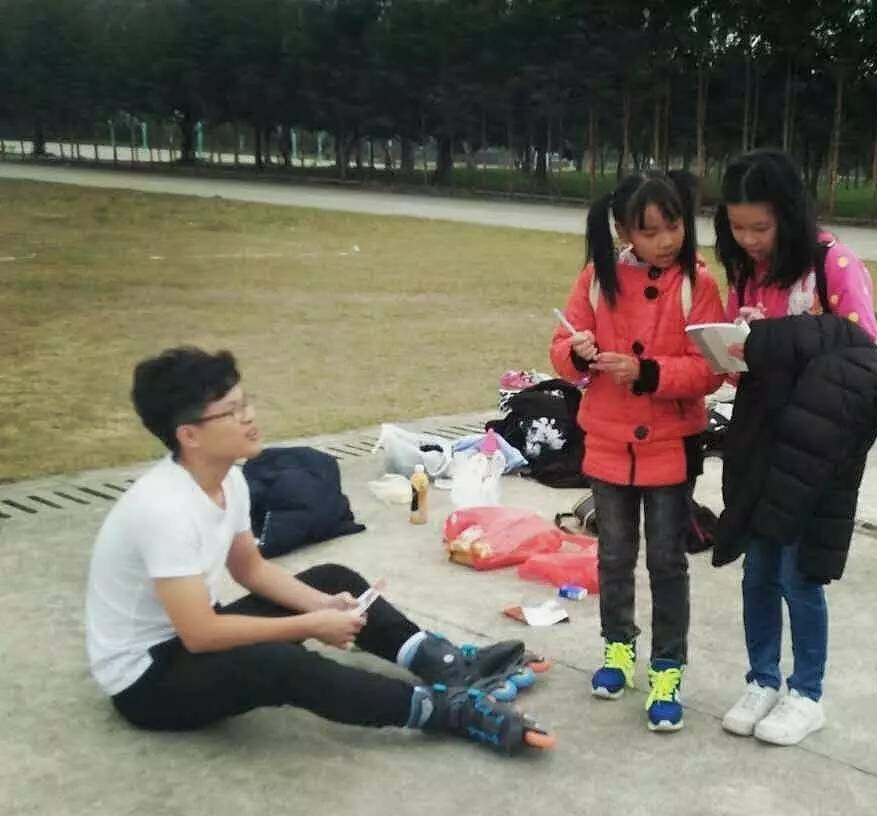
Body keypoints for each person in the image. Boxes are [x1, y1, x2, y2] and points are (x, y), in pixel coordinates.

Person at [85, 347, 553, 755]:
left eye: (246, 402)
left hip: (190, 640)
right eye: (231, 412)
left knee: (333, 580)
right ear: (189, 434)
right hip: (149, 681)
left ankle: (443, 663)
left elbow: (250, 568)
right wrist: (312, 625)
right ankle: (444, 711)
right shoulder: (164, 510)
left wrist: (323, 606)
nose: (249, 417)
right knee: (277, 662)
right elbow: (201, 634)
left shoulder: (228, 479)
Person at [711, 149, 877, 746]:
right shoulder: (747, 271)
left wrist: (768, 341)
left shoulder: (833, 263)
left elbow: (864, 353)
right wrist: (727, 353)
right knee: (758, 571)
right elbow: (744, 359)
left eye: (760, 227)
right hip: (759, 438)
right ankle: (761, 679)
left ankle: (807, 694)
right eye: (738, 227)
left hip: (817, 444)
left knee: (799, 573)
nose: (749, 240)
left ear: (789, 215)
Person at [549, 171, 724, 732]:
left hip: (671, 445)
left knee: (667, 562)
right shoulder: (596, 278)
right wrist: (578, 352)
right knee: (613, 556)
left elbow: (713, 370)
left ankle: (667, 668)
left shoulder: (698, 284)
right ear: (624, 231)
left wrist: (647, 372)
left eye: (673, 226)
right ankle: (617, 648)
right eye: (650, 232)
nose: (666, 241)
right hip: (606, 440)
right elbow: (561, 348)